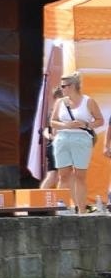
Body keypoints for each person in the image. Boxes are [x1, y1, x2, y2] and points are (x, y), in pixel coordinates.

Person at [51, 74, 104, 215]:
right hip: (62, 138)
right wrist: (66, 124)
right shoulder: (60, 102)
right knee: (63, 175)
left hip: (81, 139)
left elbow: (100, 120)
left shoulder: (88, 101)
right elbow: (53, 122)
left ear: (72, 86)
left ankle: (81, 210)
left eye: (63, 86)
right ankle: (62, 207)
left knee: (80, 175)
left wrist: (86, 124)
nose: (61, 89)